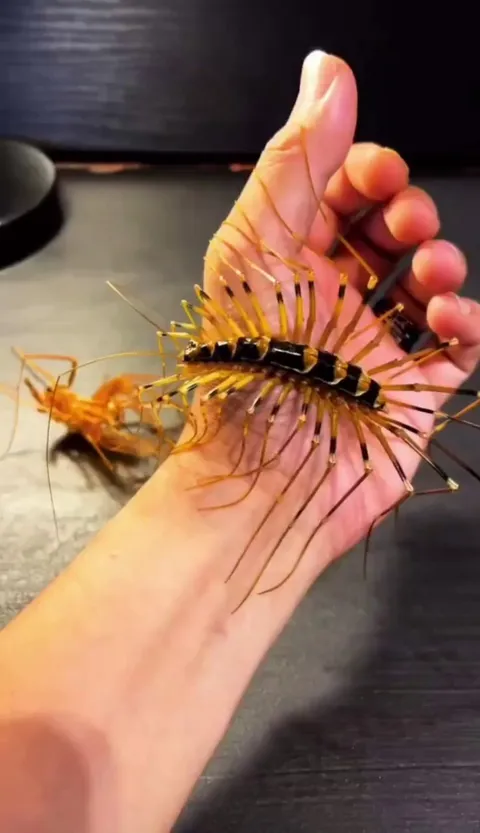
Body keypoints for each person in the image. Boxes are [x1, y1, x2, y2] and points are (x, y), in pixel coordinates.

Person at [0, 50, 478, 833]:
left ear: (212, 355)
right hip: (336, 387)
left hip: (338, 388)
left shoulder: (225, 354)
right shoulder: (229, 355)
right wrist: (233, 497)